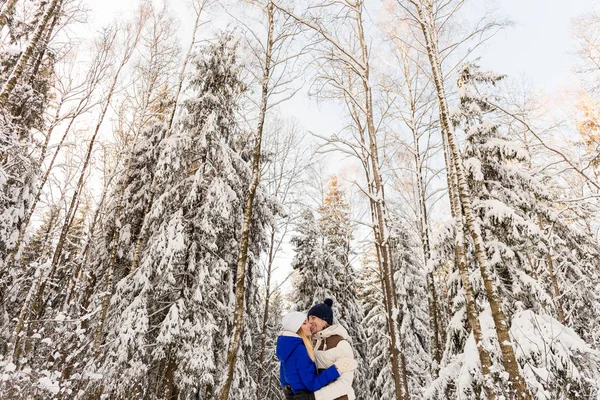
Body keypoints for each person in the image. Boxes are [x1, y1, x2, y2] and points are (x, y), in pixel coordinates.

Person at [277, 311, 357, 400]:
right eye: (305, 322)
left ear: (325, 321)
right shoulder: (301, 349)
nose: (310, 324)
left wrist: (289, 391)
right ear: (298, 328)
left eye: (313, 318)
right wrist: (336, 368)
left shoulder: (288, 348)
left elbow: (284, 380)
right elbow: (312, 384)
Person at [308, 299, 356, 400]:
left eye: (313, 318)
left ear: (325, 321)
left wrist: (314, 397)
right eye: (308, 319)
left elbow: (344, 383)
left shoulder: (341, 344)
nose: (310, 322)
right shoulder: (313, 344)